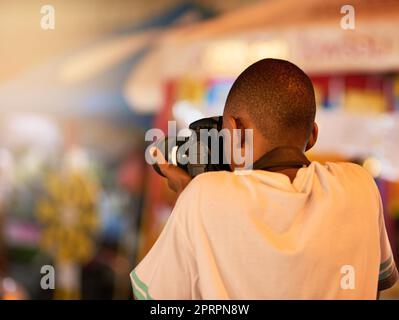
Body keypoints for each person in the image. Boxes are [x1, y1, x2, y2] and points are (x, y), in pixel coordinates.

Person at [131, 58, 398, 299]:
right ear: (313, 135)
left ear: (234, 130)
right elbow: (374, 284)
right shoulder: (359, 186)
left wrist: (188, 197)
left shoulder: (203, 196)